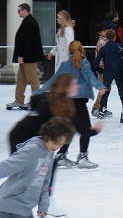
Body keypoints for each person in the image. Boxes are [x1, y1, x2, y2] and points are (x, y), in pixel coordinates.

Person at [35, 41, 106, 169]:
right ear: (82, 50)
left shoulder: (65, 64)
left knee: (70, 128)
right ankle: (82, 156)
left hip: (66, 100)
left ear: (68, 52)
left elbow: (54, 79)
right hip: (78, 101)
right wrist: (99, 86)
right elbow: (89, 76)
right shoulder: (83, 63)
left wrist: (39, 91)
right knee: (85, 129)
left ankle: (61, 154)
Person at [8, 3, 44, 111]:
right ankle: (19, 99)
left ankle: (36, 101)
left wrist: (21, 55)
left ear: (25, 10)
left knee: (33, 79)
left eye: (19, 10)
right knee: (21, 79)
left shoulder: (30, 22)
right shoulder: (28, 22)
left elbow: (27, 41)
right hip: (26, 57)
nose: (18, 13)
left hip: (29, 57)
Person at [92, 30, 123, 122]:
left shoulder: (104, 48)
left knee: (105, 91)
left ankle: (103, 109)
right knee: (122, 90)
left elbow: (96, 61)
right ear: (115, 37)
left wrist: (99, 69)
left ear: (106, 37)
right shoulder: (119, 47)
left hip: (108, 72)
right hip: (119, 72)